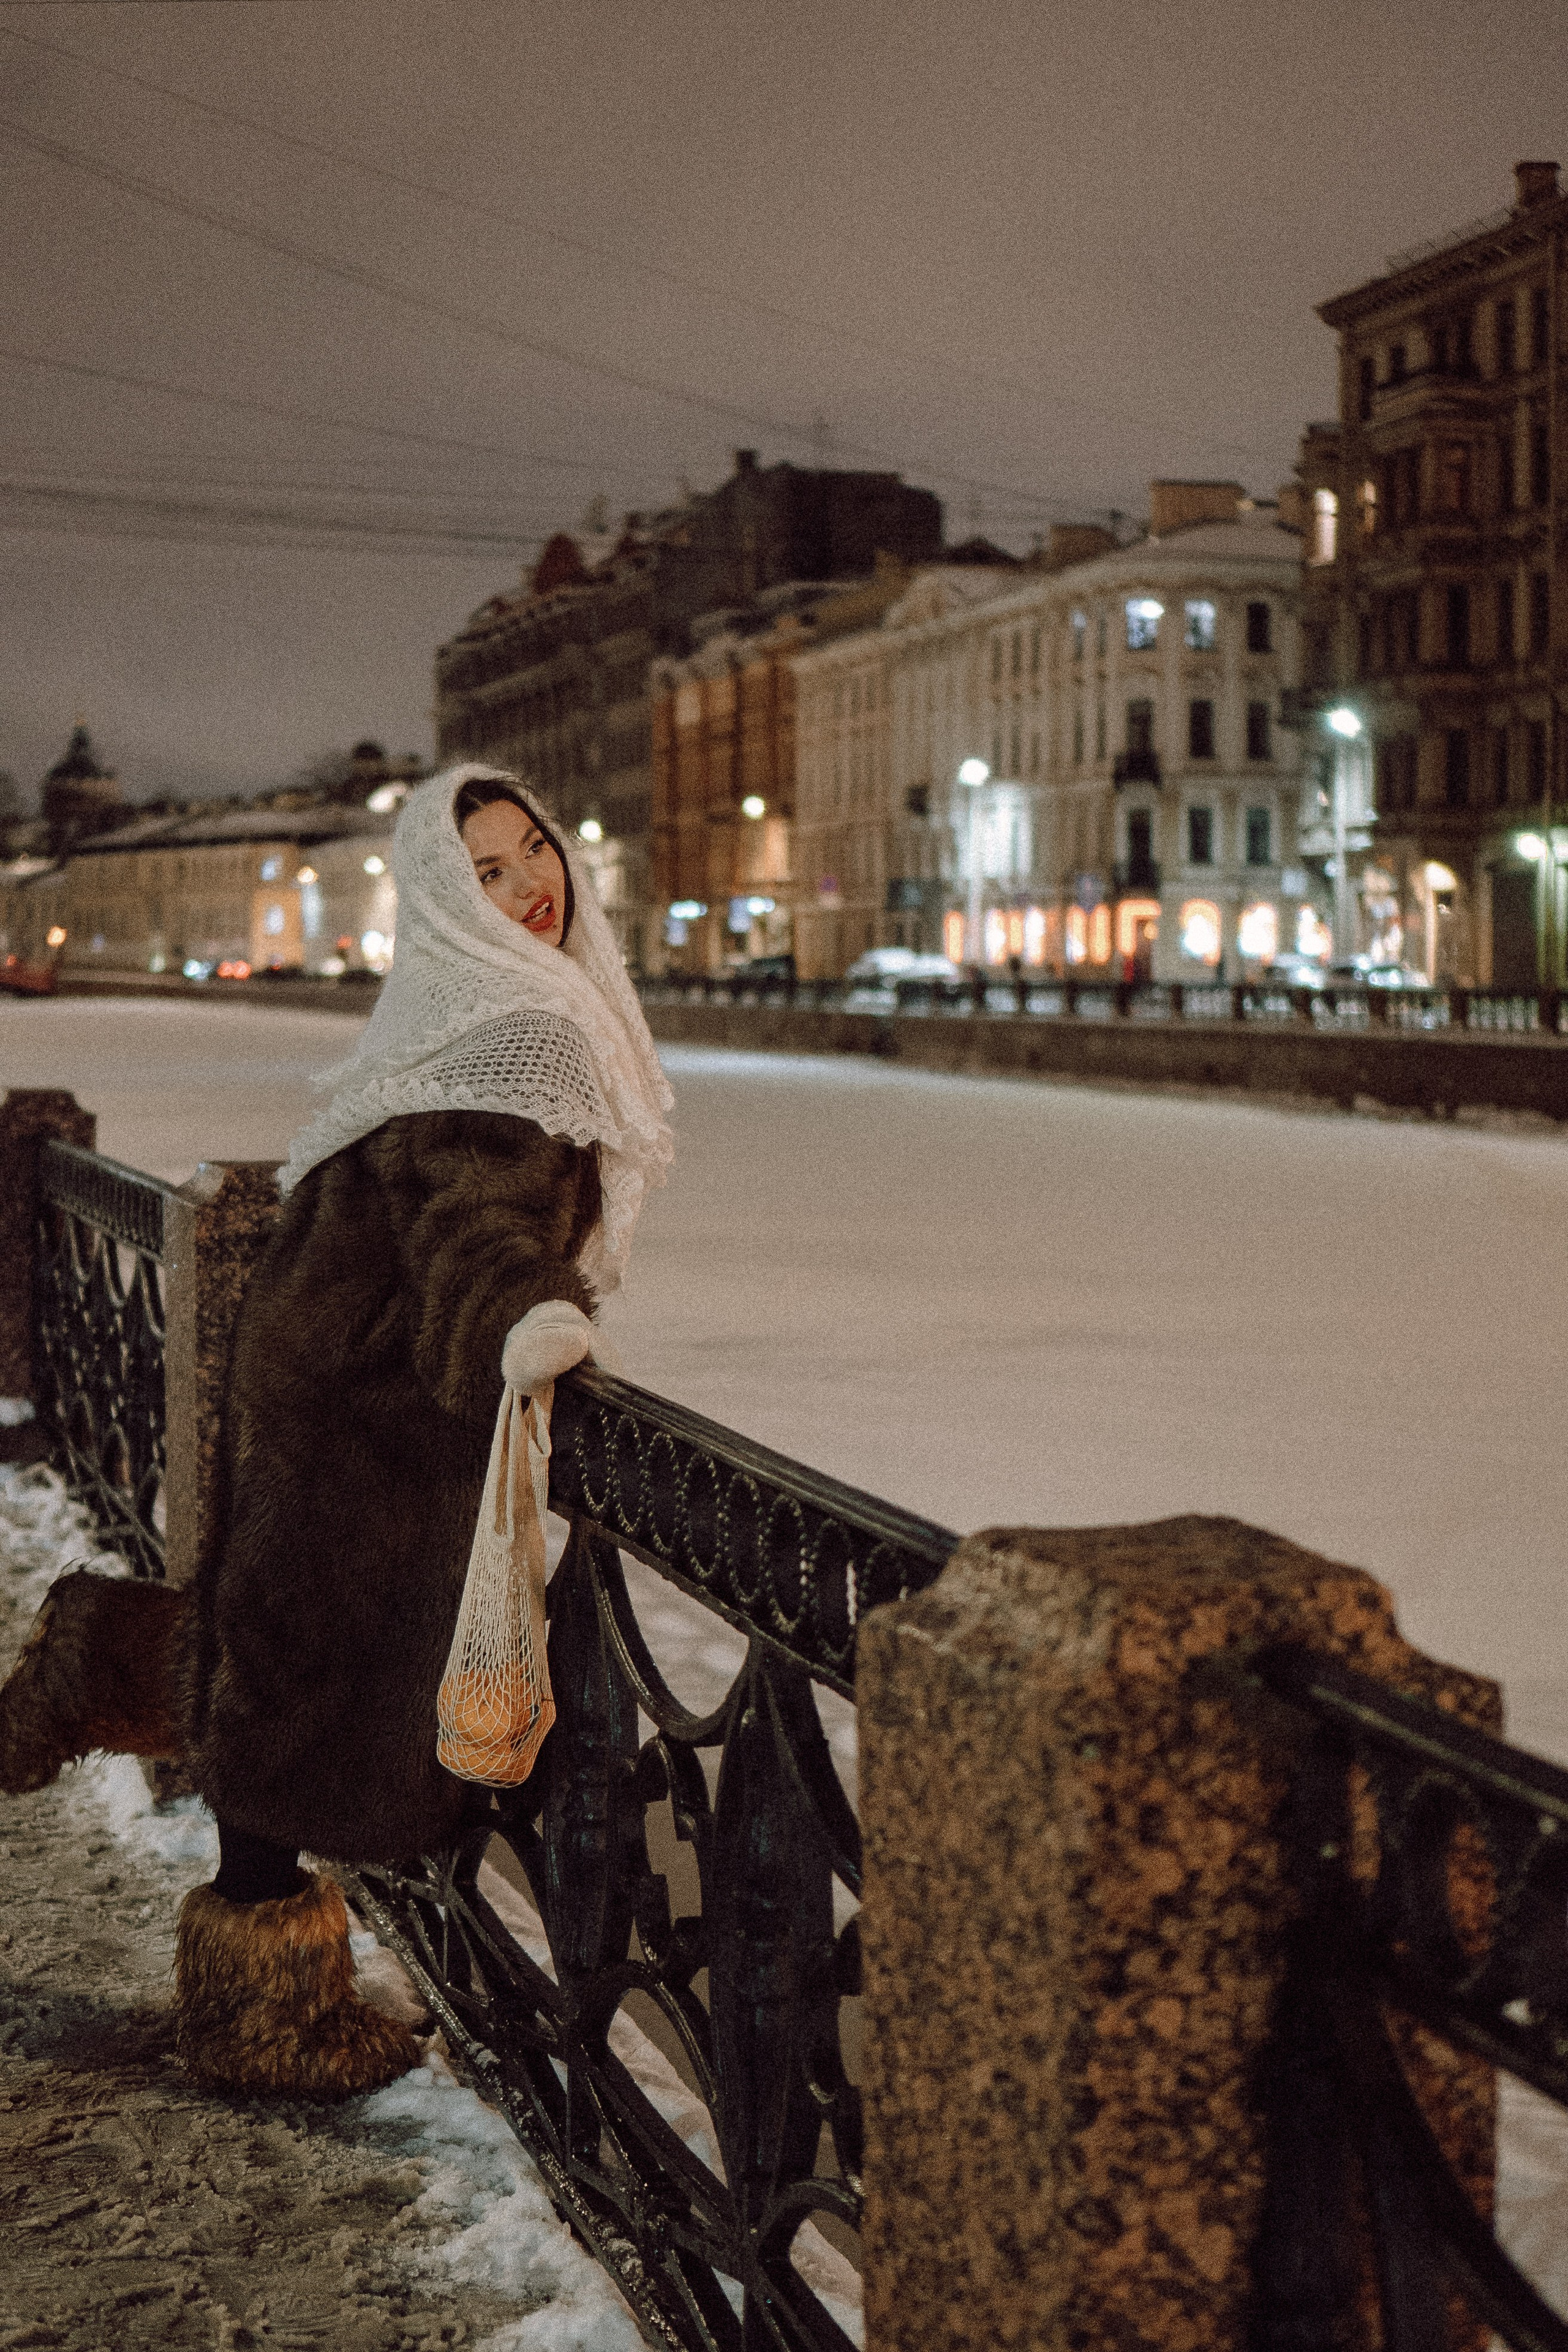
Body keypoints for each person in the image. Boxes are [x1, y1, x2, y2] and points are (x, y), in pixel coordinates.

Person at [0, 765, 674, 2098]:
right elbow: (462, 1204)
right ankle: (269, 2019)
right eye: (484, 870)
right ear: (441, 894)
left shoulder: (473, 998)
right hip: (376, 1401)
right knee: (310, 1690)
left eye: (531, 848)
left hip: (336, 1365)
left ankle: (105, 1664)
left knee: (287, 1655)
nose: (529, 882)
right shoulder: (512, 1028)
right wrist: (521, 1314)